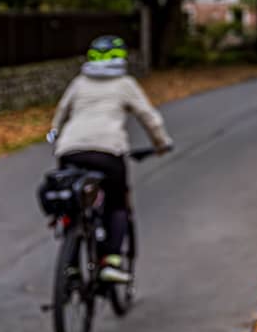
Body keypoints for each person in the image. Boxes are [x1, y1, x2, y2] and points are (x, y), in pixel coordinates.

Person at [48, 35, 172, 284]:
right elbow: (150, 118)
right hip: (107, 152)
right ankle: (111, 261)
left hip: (70, 150)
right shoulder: (124, 83)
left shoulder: (79, 83)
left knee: (76, 204)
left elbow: (61, 114)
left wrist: (55, 137)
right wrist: (161, 144)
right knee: (117, 204)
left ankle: (71, 267)